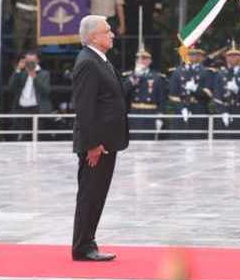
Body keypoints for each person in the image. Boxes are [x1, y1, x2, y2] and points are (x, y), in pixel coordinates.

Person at [70, 15, 128, 261]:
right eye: (107, 31)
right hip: (97, 144)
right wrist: (92, 144)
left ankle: (88, 240)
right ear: (93, 36)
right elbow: (84, 108)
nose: (112, 34)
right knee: (90, 194)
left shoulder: (100, 61)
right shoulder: (88, 63)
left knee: (97, 194)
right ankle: (82, 246)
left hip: (107, 141)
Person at [5, 50, 52, 140]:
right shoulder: (22, 73)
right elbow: (11, 87)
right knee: (22, 137)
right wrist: (18, 69)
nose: (30, 64)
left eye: (32, 61)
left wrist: (35, 77)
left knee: (37, 136)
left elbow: (46, 91)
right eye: (28, 61)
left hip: (37, 109)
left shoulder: (44, 74)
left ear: (37, 61)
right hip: (22, 109)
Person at [121, 48, 167, 139]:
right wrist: (135, 75)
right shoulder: (131, 75)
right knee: (134, 140)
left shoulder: (157, 77)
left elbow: (161, 99)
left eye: (144, 59)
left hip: (150, 113)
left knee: (148, 141)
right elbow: (123, 91)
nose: (141, 61)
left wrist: (160, 117)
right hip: (135, 112)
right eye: (138, 59)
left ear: (150, 61)